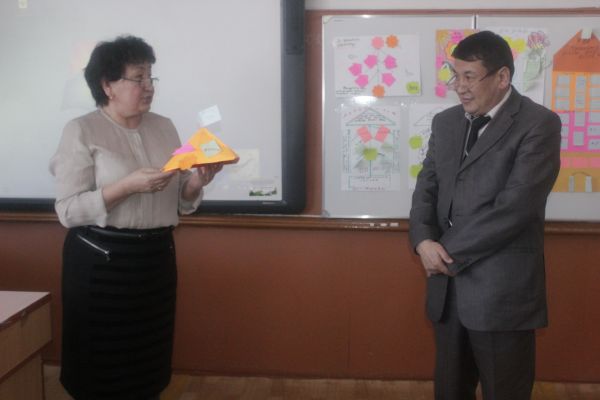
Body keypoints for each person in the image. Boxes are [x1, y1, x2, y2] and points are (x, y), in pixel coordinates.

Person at [49, 35, 222, 400]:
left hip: (155, 258)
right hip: (100, 261)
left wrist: (196, 183)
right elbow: (68, 210)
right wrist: (126, 186)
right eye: (138, 77)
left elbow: (180, 200)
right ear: (107, 85)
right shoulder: (81, 130)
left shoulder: (165, 127)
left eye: (150, 77)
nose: (149, 86)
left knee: (148, 356)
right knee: (101, 362)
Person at [409, 31, 561, 400]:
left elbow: (515, 208)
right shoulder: (446, 123)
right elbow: (427, 187)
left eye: (469, 76)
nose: (459, 86)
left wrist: (444, 254)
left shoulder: (538, 124)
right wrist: (423, 240)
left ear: (502, 77)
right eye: (455, 75)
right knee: (450, 390)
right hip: (447, 293)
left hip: (501, 294)